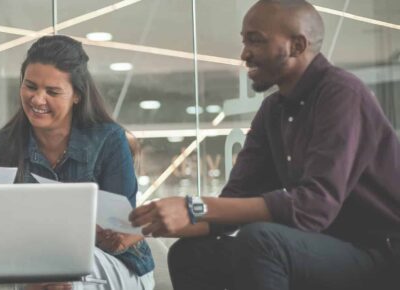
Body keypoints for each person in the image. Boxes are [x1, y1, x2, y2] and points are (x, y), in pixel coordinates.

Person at [128, 1, 400, 289]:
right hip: (323, 246)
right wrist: (149, 226)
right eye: (245, 42)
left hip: (381, 253)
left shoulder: (342, 94)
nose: (245, 54)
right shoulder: (274, 110)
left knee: (261, 241)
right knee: (190, 253)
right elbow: (235, 199)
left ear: (297, 45)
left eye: (255, 41)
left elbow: (312, 207)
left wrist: (196, 207)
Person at [0, 35, 155, 290]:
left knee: (58, 273)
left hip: (114, 261)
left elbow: (121, 227)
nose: (37, 99)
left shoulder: (108, 139)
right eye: (30, 86)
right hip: (31, 263)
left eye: (52, 91)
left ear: (76, 95)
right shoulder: (2, 145)